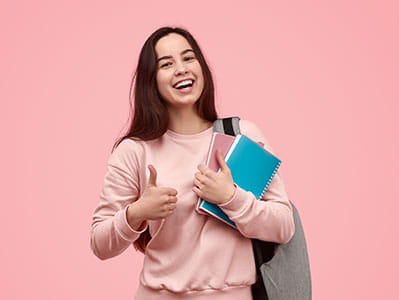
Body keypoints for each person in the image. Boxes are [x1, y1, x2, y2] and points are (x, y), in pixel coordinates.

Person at [90, 26, 295, 300]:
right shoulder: (134, 151)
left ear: (201, 68)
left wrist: (231, 198)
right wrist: (137, 212)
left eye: (188, 58)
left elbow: (284, 227)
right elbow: (100, 244)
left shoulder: (241, 136)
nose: (181, 69)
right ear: (151, 80)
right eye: (166, 64)